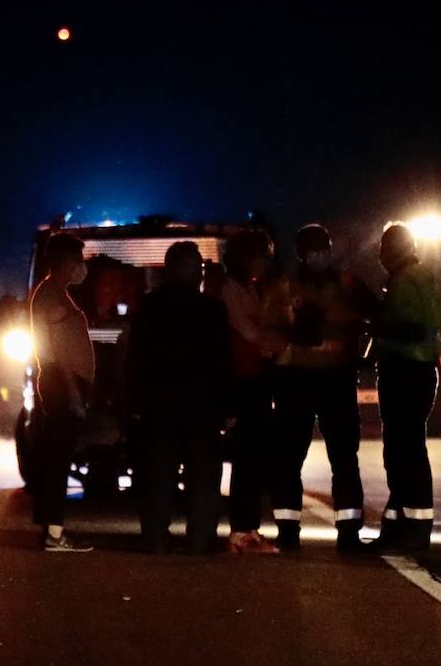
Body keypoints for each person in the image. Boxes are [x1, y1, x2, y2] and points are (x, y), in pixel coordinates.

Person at [265, 224, 378, 552]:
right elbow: (268, 330)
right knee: (289, 458)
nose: (320, 256)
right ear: (302, 253)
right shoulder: (283, 287)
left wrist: (364, 347)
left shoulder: (348, 284)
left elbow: (377, 318)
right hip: (294, 380)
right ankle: (287, 530)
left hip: (336, 379)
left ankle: (349, 531)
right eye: (315, 250)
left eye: (324, 249)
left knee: (344, 457)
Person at [125, 241, 233, 555]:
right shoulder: (211, 310)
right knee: (203, 477)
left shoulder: (149, 306)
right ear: (193, 271)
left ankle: (156, 537)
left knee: (158, 476)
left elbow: (136, 358)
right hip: (202, 410)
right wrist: (228, 406)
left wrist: (132, 402)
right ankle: (200, 538)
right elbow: (222, 362)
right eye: (199, 266)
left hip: (159, 408)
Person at [367, 222, 441, 555]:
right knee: (406, 449)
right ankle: (401, 527)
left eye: (384, 248)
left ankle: (410, 531)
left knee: (404, 452)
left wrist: (376, 323)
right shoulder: (426, 278)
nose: (381, 255)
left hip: (404, 371)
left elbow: (407, 329)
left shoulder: (403, 282)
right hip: (421, 371)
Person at [218, 230, 286, 555]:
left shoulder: (251, 289)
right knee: (246, 458)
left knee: (256, 458)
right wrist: (275, 339)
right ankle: (240, 531)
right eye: (261, 255)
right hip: (241, 383)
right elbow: (251, 332)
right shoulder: (228, 291)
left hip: (256, 380)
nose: (265, 262)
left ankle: (250, 528)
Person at [29, 232, 96, 553]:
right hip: (60, 382)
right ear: (67, 262)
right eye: (78, 260)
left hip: (61, 382)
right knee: (57, 460)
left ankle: (54, 531)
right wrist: (73, 394)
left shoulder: (56, 294)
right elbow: (61, 352)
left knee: (57, 458)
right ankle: (55, 535)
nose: (82, 267)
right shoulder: (51, 297)